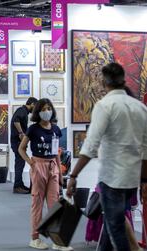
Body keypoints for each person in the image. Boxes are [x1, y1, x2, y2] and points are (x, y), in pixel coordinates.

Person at [67, 63, 147, 251]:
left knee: (115, 228)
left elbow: (90, 146)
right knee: (112, 226)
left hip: (112, 178)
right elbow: (145, 148)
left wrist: (73, 175)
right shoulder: (140, 108)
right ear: (123, 80)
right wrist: (144, 180)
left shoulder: (105, 106)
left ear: (104, 82)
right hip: (131, 179)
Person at [18, 98, 70, 250]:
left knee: (54, 204)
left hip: (53, 166)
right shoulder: (33, 129)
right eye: (43, 109)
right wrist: (31, 162)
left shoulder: (55, 129)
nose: (46, 111)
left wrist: (60, 172)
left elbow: (57, 152)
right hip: (38, 165)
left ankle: (57, 240)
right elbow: (22, 148)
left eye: (49, 108)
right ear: (38, 112)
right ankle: (35, 238)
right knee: (37, 203)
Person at [10, 97, 37, 194]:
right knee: (19, 164)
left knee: (20, 163)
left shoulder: (23, 111)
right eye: (35, 106)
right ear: (32, 104)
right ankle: (17, 186)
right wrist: (21, 133)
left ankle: (19, 184)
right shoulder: (22, 110)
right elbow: (16, 121)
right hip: (17, 141)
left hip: (17, 141)